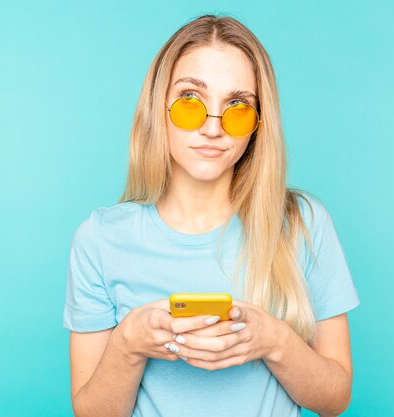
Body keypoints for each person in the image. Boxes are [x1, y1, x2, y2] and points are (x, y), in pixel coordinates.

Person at [62, 13, 360, 417]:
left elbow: (336, 398)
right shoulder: (99, 240)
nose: (213, 128)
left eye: (237, 106)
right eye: (190, 102)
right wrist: (128, 343)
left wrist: (274, 341)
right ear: (158, 106)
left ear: (258, 124)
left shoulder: (303, 224)